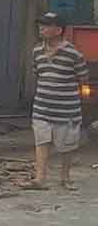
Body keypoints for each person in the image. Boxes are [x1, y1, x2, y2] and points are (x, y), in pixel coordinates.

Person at [25, 12, 89, 191]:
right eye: (41, 25)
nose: (41, 28)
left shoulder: (73, 54)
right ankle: (40, 179)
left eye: (46, 26)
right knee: (41, 142)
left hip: (66, 110)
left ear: (58, 30)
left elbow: (83, 78)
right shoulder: (37, 51)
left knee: (66, 146)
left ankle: (65, 178)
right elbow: (37, 73)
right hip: (42, 108)